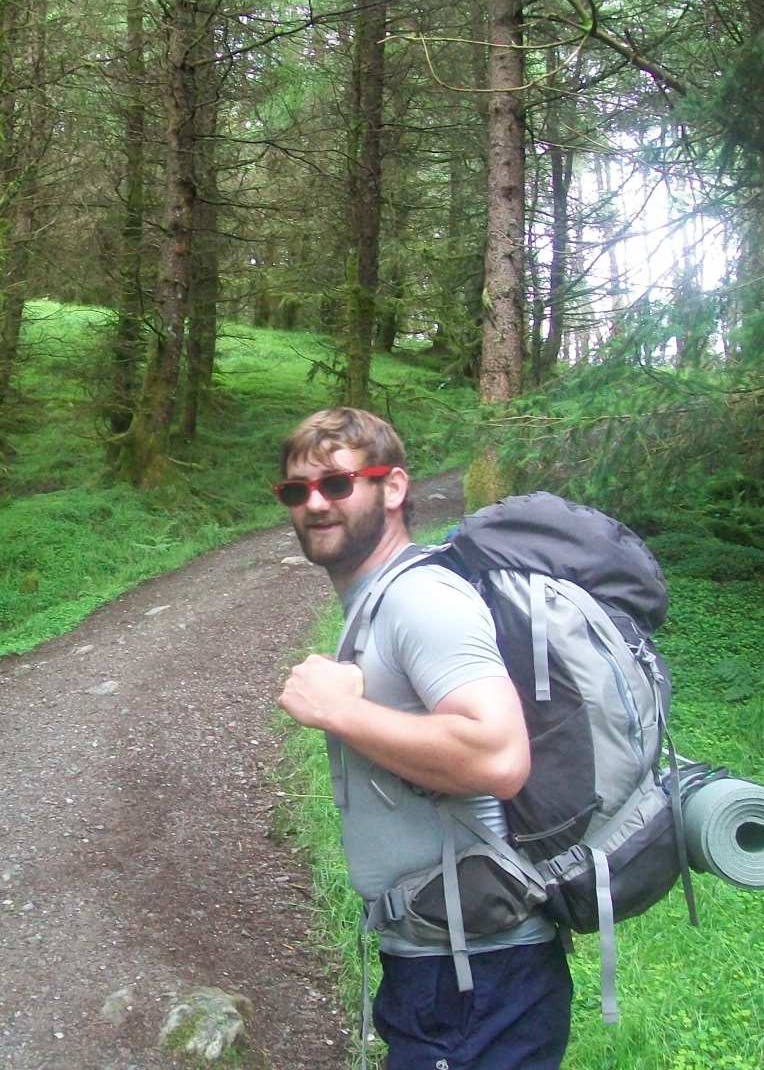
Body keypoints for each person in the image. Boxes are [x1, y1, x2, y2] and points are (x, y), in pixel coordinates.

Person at [274, 407, 571, 1069]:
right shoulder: (376, 602)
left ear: (395, 487)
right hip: (445, 963)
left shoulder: (422, 600)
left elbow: (499, 755)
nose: (315, 503)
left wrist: (341, 714)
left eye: (338, 484)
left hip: (479, 975)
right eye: (297, 491)